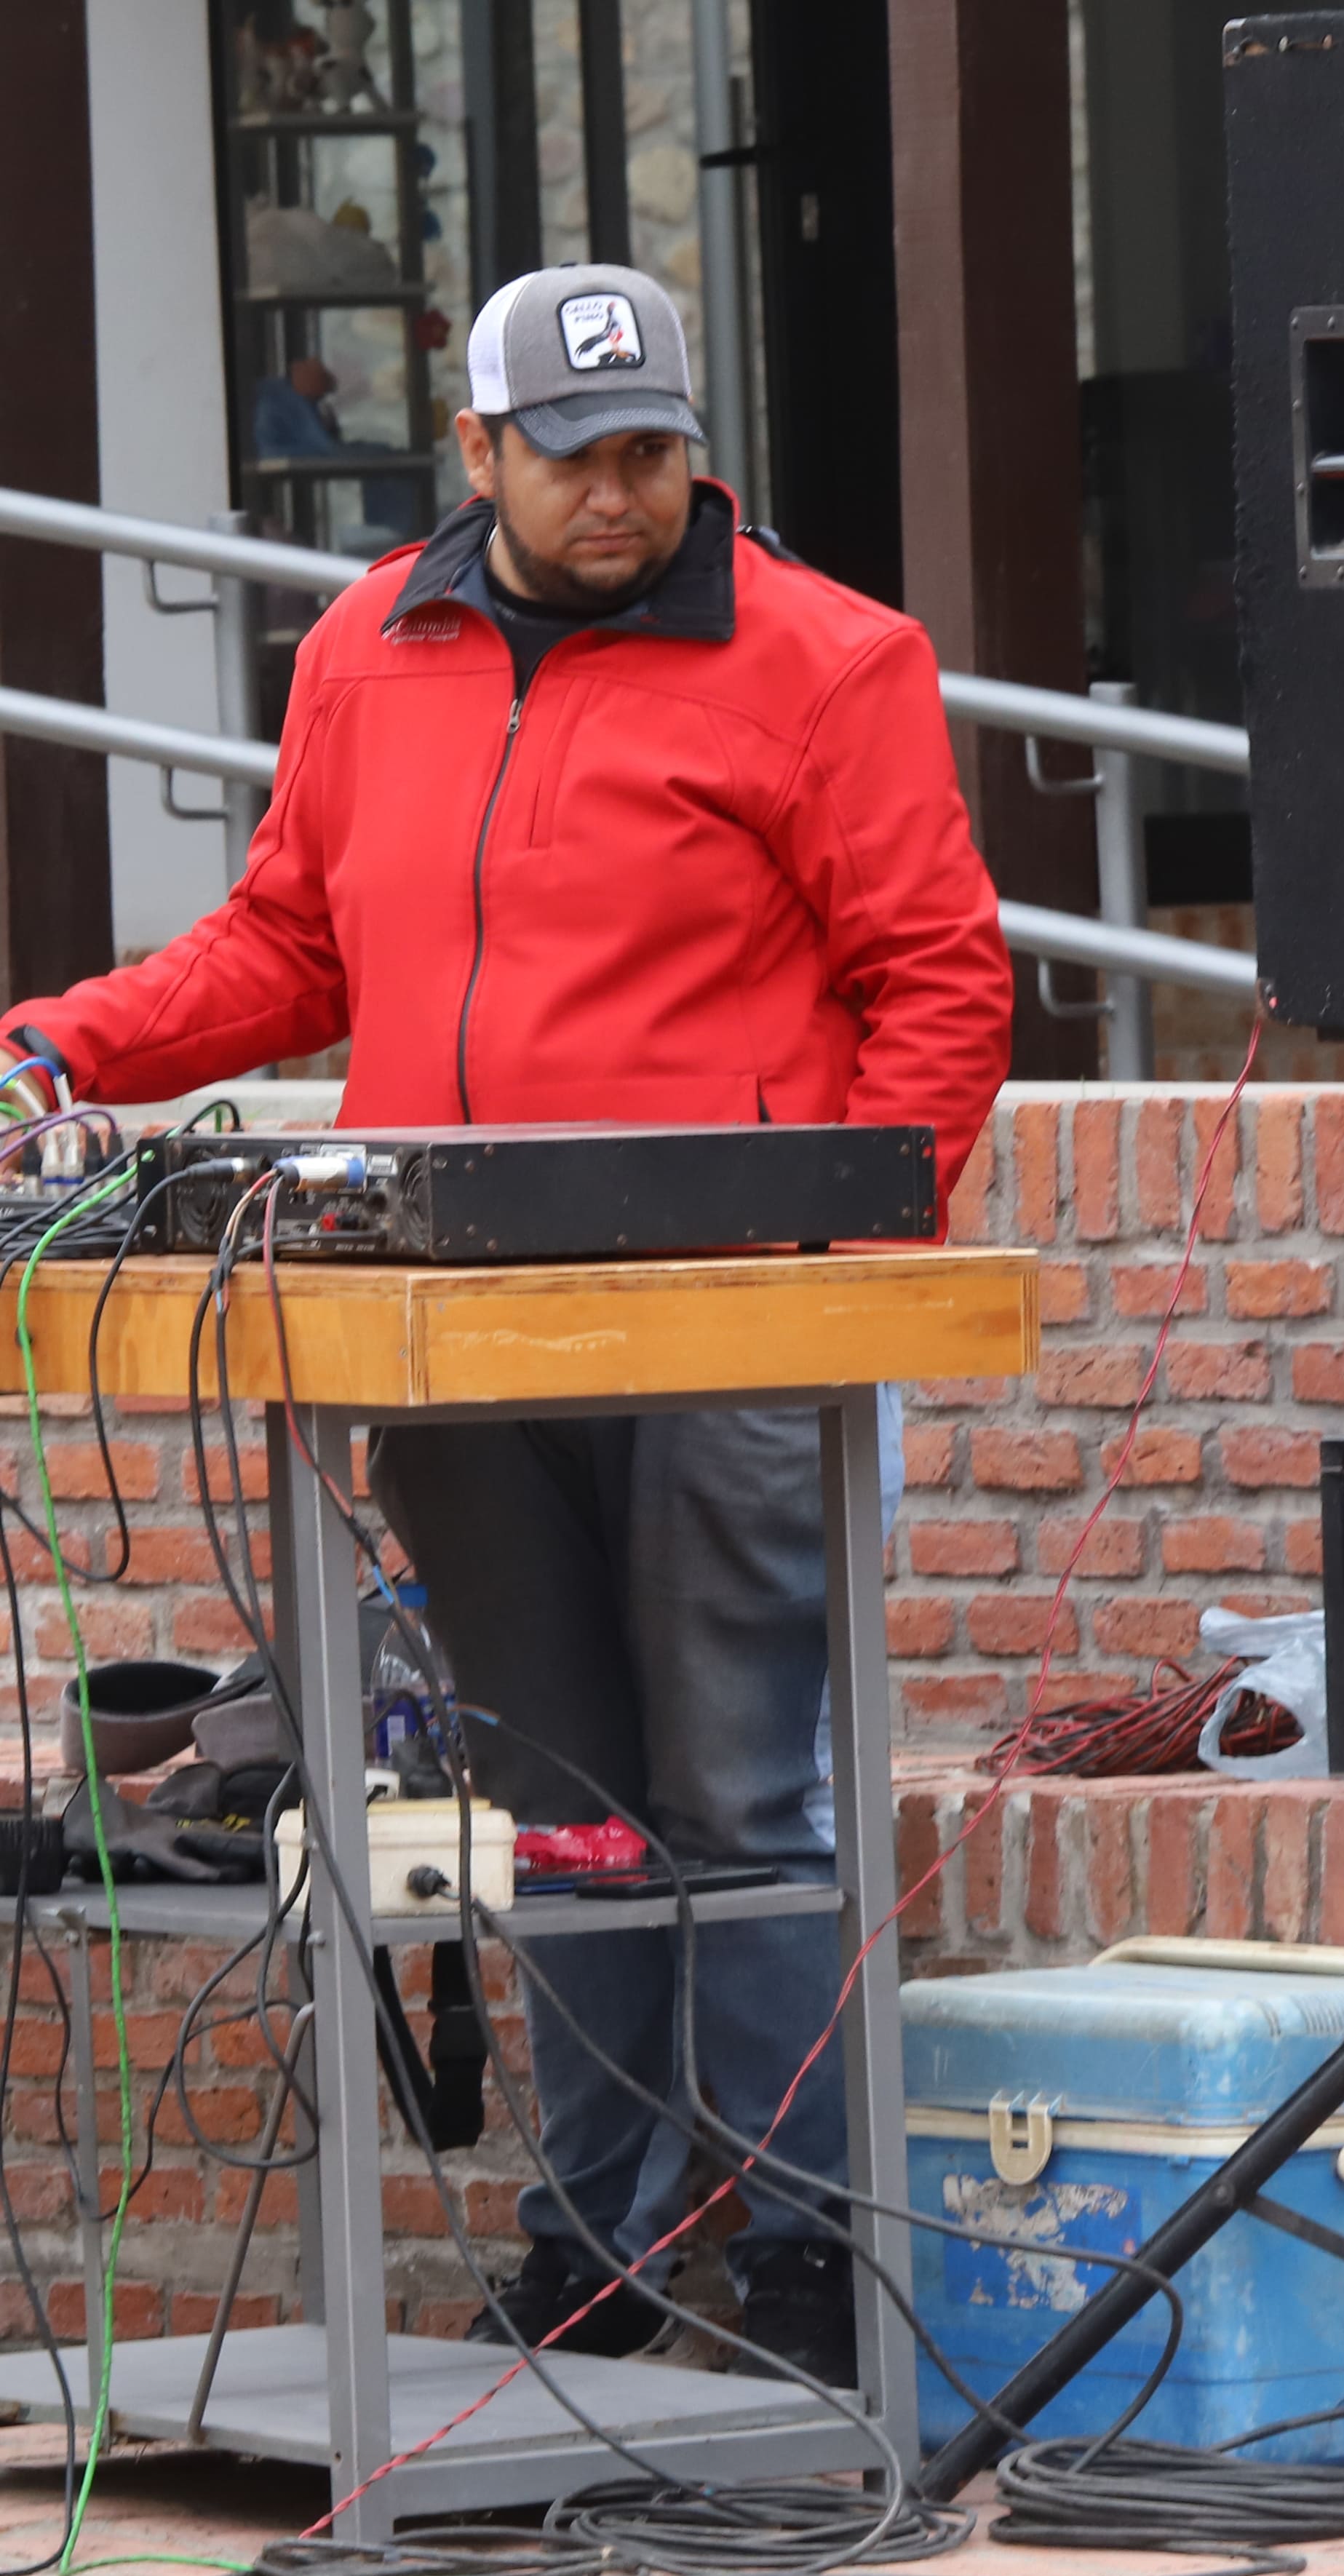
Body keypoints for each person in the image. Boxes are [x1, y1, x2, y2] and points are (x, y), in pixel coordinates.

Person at [1, 264, 1012, 2380]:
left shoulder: (833, 658)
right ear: (476, 455)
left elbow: (941, 984)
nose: (619, 497)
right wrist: (63, 1050)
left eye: (651, 452)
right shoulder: (374, 644)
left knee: (751, 1804)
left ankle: (809, 2255)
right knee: (565, 1811)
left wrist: (834, 1270)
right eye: (571, 461)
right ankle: (605, 2250)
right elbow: (292, 938)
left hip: (735, 1335)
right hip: (445, 1339)